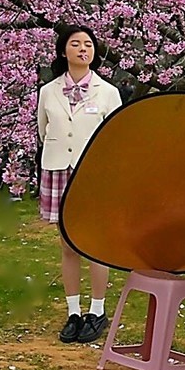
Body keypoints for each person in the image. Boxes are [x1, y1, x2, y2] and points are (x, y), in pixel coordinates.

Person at [36, 25, 122, 344]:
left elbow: (115, 137)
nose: (83, 49)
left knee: (95, 245)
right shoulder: (48, 91)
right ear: (63, 51)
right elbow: (44, 131)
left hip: (93, 175)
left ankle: (97, 311)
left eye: (88, 45)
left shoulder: (108, 92)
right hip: (59, 169)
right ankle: (73, 312)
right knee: (69, 245)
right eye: (76, 44)